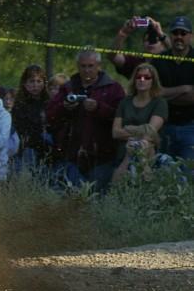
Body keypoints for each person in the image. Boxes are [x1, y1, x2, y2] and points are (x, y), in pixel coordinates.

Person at [46, 50, 125, 192]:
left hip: (103, 157)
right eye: (83, 66)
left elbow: (122, 117)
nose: (87, 70)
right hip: (72, 156)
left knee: (96, 201)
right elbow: (50, 115)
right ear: (77, 66)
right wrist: (65, 107)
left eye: (91, 66)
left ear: (98, 65)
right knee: (73, 200)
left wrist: (99, 108)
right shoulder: (68, 87)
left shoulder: (113, 88)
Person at [111, 63, 168, 182]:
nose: (142, 80)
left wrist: (128, 128)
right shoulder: (125, 102)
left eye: (147, 77)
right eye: (139, 77)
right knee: (116, 188)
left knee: (147, 188)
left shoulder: (159, 103)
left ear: (153, 81)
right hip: (123, 155)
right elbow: (115, 133)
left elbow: (150, 131)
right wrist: (142, 132)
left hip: (147, 156)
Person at [152, 16, 194, 161]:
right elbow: (154, 93)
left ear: (191, 36)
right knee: (163, 170)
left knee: (188, 175)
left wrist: (165, 93)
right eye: (175, 33)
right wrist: (184, 88)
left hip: (191, 126)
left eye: (183, 33)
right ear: (170, 35)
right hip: (163, 126)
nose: (179, 37)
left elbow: (192, 97)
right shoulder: (159, 60)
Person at [12, 65, 51, 170]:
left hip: (46, 148)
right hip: (27, 147)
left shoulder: (48, 103)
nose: (35, 85)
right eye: (32, 81)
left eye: (39, 81)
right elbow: (21, 130)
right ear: (25, 83)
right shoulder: (19, 105)